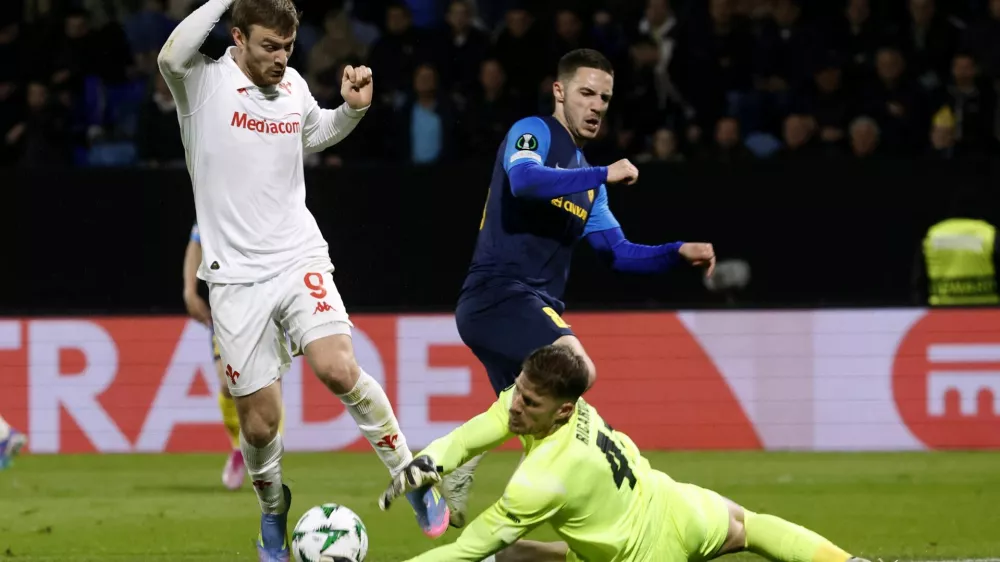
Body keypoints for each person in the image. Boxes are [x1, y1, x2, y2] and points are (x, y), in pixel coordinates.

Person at [157, 1, 448, 560]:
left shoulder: (291, 86)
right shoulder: (200, 84)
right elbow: (172, 51)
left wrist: (352, 111)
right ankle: (272, 511)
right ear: (236, 37)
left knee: (338, 367)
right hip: (236, 280)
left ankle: (412, 476)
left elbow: (314, 132)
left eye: (288, 48)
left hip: (298, 257)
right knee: (261, 427)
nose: (280, 59)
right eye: (269, 46)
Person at [445, 47, 717, 526]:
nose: (596, 106)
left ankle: (498, 545)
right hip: (498, 294)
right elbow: (524, 180)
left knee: (553, 450)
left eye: (605, 99)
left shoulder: (592, 187)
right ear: (559, 91)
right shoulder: (533, 132)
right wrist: (603, 171)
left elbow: (618, 254)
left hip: (526, 307)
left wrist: (675, 252)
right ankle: (460, 453)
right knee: (576, 365)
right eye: (586, 93)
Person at [379, 346, 870, 562]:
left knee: (496, 552)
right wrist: (430, 462)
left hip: (644, 556)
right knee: (751, 527)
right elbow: (470, 435)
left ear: (563, 410)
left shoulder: (544, 478)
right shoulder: (544, 402)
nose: (516, 409)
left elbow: (466, 548)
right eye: (519, 392)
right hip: (675, 506)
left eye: (530, 403)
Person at [185, 223, 289, 491]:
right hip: (226, 305)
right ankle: (237, 447)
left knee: (267, 380)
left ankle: (270, 455)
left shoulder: (267, 200)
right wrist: (189, 290)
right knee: (227, 383)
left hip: (266, 300)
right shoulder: (217, 197)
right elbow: (197, 241)